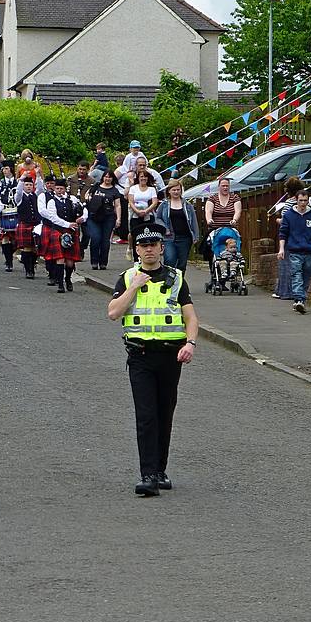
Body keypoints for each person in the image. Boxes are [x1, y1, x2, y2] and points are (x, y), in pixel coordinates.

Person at [107, 222, 198, 497]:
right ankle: (147, 475)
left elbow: (190, 317)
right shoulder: (126, 278)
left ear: (161, 248)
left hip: (171, 356)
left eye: (153, 245)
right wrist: (133, 287)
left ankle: (159, 470)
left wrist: (190, 343)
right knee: (146, 416)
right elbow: (113, 313)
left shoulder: (176, 278)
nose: (149, 250)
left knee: (164, 413)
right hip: (140, 356)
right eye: (143, 246)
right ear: (137, 250)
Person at [278, 190, 311, 315]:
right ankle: (299, 299)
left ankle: (300, 300)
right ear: (296, 200)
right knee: (296, 274)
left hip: (308, 251)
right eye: (300, 200)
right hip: (294, 251)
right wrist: (281, 249)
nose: (303, 203)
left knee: (306, 276)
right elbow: (283, 233)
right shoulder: (288, 215)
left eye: (305, 200)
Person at [41, 177, 87, 293]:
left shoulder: (72, 199)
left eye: (61, 188)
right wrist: (68, 224)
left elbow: (84, 208)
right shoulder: (52, 202)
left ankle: (68, 279)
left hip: (71, 232)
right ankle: (60, 284)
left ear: (65, 189)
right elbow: (53, 217)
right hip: (58, 231)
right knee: (59, 258)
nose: (59, 191)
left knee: (70, 261)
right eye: (57, 188)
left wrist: (83, 218)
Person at [272, 176, 304, 301]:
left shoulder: (289, 203)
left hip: (289, 236)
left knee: (285, 263)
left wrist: (278, 220)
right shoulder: (304, 202)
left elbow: (286, 221)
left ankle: (284, 291)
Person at [156, 178, 198, 272]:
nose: (176, 192)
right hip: (169, 238)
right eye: (173, 190)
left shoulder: (187, 205)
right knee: (170, 260)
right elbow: (157, 218)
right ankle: (167, 282)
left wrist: (195, 236)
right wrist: (165, 228)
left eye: (178, 190)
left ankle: (179, 284)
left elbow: (194, 221)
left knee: (182, 264)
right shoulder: (164, 205)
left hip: (185, 238)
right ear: (169, 191)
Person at [84, 169, 122, 271]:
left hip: (108, 217)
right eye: (106, 176)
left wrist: (118, 218)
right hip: (94, 216)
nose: (107, 179)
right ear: (103, 177)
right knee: (95, 237)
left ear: (112, 178)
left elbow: (117, 205)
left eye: (109, 177)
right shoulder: (96, 186)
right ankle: (94, 261)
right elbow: (87, 195)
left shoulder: (114, 191)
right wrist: (90, 201)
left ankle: (103, 262)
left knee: (105, 240)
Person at [126, 170, 159, 255]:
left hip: (148, 214)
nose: (143, 178)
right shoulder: (133, 188)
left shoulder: (152, 189)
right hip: (135, 214)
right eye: (141, 176)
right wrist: (137, 211)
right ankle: (136, 258)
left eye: (145, 176)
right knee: (135, 235)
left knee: (147, 236)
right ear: (138, 178)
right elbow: (130, 201)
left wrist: (146, 211)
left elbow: (155, 202)